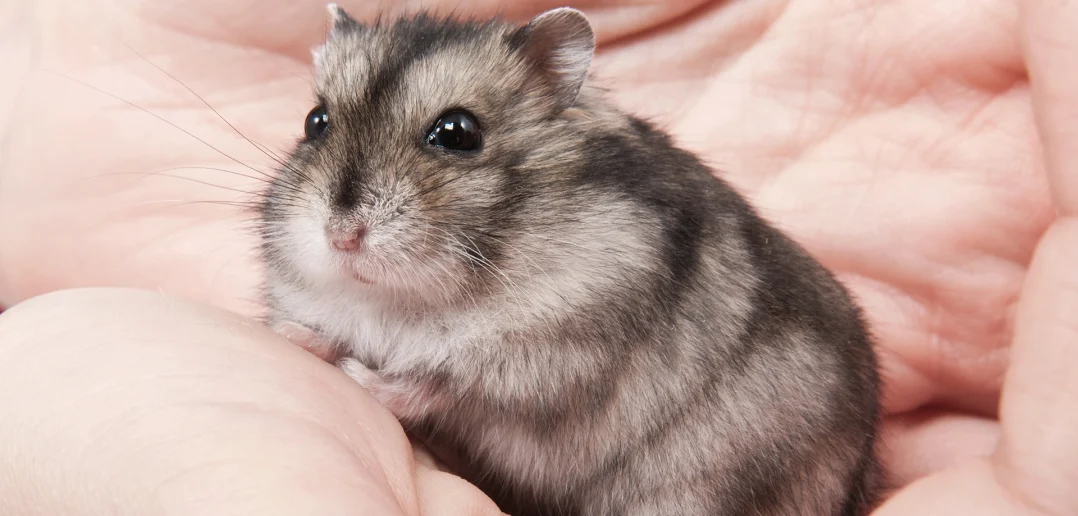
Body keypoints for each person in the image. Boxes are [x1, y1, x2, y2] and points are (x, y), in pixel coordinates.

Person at [0, 0, 1074, 513]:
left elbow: (569, 373)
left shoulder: (607, 238)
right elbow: (313, 287)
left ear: (556, 94)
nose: (345, 217)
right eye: (323, 128)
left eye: (450, 137)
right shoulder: (313, 219)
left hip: (710, 462)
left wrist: (446, 379)